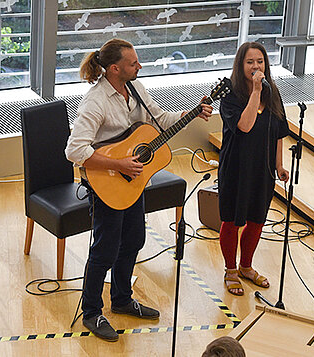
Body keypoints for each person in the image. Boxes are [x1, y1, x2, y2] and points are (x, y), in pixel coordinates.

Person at [65, 38, 213, 341]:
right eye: (134, 63)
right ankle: (92, 312)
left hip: (132, 182)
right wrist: (119, 165)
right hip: (107, 183)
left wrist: (193, 113)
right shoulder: (96, 101)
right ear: (115, 68)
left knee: (134, 238)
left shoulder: (135, 89)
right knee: (105, 249)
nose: (140, 66)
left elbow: (159, 121)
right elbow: (74, 150)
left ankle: (121, 299)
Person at [218, 42, 290, 296]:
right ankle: (230, 270)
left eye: (260, 61)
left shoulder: (274, 93)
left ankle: (246, 266)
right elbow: (245, 126)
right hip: (236, 168)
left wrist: (279, 165)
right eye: (250, 62)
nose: (256, 66)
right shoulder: (229, 96)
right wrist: (256, 91)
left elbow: (279, 132)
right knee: (231, 221)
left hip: (263, 168)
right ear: (241, 65)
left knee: (256, 221)